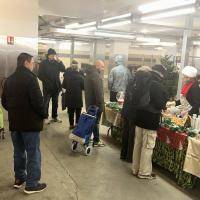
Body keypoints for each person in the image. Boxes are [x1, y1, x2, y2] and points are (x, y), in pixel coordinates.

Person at [1, 53, 47, 194]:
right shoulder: (31, 79)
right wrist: (44, 115)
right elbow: (38, 103)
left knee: (19, 152)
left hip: (15, 124)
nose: (34, 65)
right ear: (26, 63)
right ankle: (32, 184)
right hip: (30, 125)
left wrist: (15, 112)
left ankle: (19, 179)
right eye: (33, 62)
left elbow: (4, 102)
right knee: (33, 154)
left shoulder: (9, 80)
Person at [132, 65, 168, 179]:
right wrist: (164, 104)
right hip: (150, 120)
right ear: (161, 74)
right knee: (147, 147)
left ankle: (135, 169)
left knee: (138, 145)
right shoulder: (157, 86)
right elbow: (159, 104)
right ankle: (144, 173)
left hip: (139, 119)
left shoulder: (141, 81)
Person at [38, 48, 65, 123]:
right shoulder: (43, 63)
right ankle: (45, 117)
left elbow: (63, 69)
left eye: (54, 55)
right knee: (46, 103)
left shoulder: (57, 63)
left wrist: (60, 62)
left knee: (55, 103)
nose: (53, 56)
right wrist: (46, 82)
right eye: (52, 55)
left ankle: (54, 116)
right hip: (47, 87)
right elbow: (39, 74)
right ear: (48, 55)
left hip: (56, 87)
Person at [84, 60, 105, 147]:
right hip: (96, 104)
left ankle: (88, 138)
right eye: (102, 67)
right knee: (95, 122)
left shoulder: (88, 74)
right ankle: (96, 140)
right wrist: (101, 105)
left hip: (89, 102)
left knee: (91, 121)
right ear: (97, 66)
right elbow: (99, 92)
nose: (103, 69)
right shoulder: (96, 76)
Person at [62, 60, 84, 130]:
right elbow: (84, 87)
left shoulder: (67, 77)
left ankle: (71, 125)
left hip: (69, 97)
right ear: (77, 69)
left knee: (70, 112)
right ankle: (77, 124)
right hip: (78, 97)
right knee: (78, 112)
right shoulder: (81, 77)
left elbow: (64, 86)